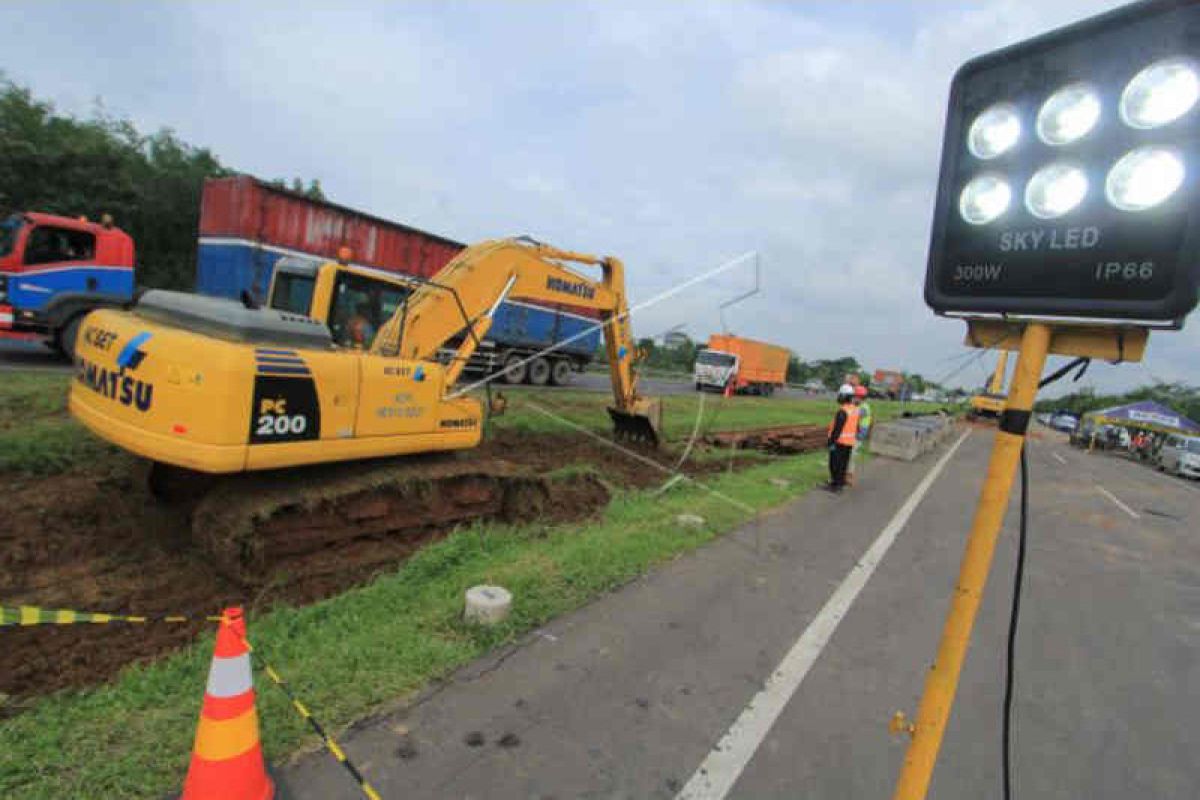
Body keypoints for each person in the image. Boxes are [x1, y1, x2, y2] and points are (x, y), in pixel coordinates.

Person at [826, 384, 860, 493]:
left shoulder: (843, 411)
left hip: (839, 442)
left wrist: (831, 442)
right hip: (849, 442)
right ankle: (839, 483)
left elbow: (837, 429)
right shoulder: (855, 410)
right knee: (843, 464)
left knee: (834, 464)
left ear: (844, 396)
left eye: (840, 395)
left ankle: (836, 486)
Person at [847, 385, 871, 487]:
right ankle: (847, 475)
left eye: (855, 396)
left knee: (851, 455)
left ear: (860, 397)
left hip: (858, 435)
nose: (853, 398)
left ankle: (850, 477)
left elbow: (852, 415)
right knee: (850, 455)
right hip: (857, 434)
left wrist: (849, 404)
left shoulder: (863, 408)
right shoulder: (861, 406)